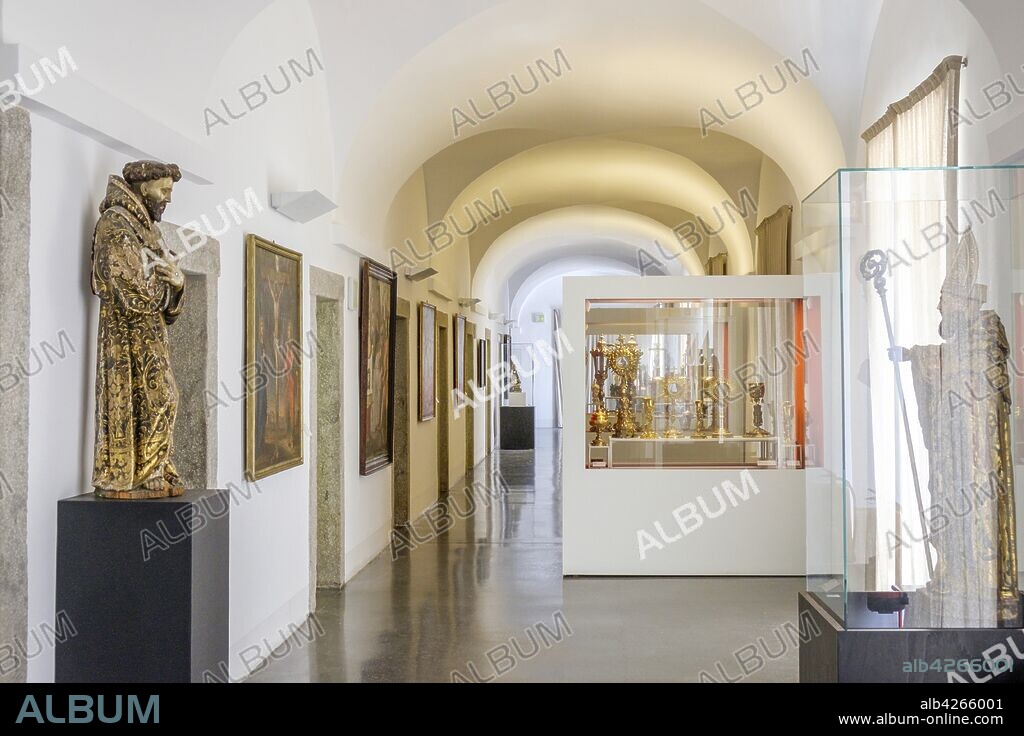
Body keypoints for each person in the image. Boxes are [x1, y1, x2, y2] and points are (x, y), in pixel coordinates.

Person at [91, 160, 185, 499]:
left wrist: (178, 282)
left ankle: (153, 468)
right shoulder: (115, 224)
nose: (168, 198)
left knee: (160, 398)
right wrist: (165, 284)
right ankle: (139, 472)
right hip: (126, 336)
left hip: (150, 334)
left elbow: (167, 274)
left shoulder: (147, 229)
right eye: (164, 190)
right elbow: (133, 289)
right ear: (144, 187)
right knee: (161, 397)